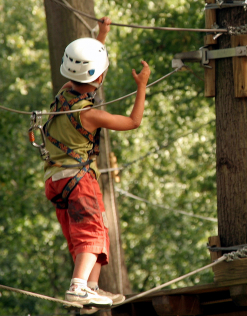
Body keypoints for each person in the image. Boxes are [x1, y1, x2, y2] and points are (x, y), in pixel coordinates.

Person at [43, 17, 150, 312]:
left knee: (90, 232)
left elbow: (87, 69)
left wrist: (101, 36)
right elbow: (133, 121)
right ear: (100, 77)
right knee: (91, 232)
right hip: (78, 180)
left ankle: (90, 286)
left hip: (56, 180)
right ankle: (79, 287)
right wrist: (141, 86)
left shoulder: (64, 92)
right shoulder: (89, 115)